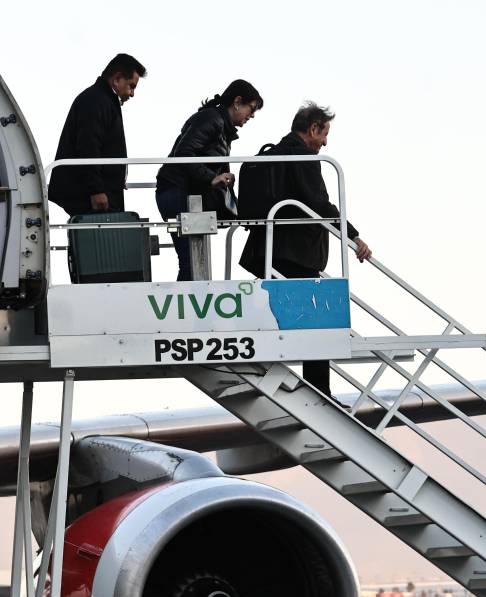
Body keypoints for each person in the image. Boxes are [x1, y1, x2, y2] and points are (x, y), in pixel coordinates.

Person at [238, 102, 372, 398]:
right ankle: (320, 391)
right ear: (313, 129)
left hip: (266, 252)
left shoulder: (272, 153)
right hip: (295, 254)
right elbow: (320, 204)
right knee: (317, 322)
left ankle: (305, 385)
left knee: (285, 318)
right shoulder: (303, 157)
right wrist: (353, 236)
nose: (325, 143)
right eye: (324, 134)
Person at [156, 79, 264, 280]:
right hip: (177, 191)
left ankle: (190, 299)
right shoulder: (212, 119)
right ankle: (189, 301)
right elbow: (183, 154)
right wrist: (212, 178)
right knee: (192, 263)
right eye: (251, 109)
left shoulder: (220, 125)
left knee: (194, 262)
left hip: (182, 193)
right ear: (237, 102)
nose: (252, 115)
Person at [47, 53, 147, 217]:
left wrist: (116, 177)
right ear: (117, 79)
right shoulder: (96, 100)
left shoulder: (101, 100)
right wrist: (96, 190)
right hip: (91, 196)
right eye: (131, 86)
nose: (132, 93)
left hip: (99, 191)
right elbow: (88, 145)